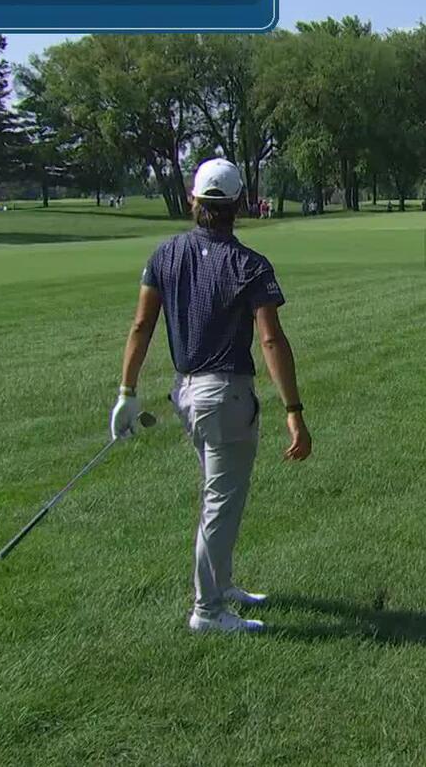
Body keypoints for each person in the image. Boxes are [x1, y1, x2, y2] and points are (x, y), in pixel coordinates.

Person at [113, 157, 312, 635]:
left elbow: (142, 325)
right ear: (238, 205)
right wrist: (294, 410)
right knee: (221, 503)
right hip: (225, 396)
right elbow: (270, 341)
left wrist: (127, 391)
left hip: (186, 393)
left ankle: (221, 586)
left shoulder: (164, 254)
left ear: (193, 201)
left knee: (216, 496)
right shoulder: (249, 264)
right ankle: (207, 611)